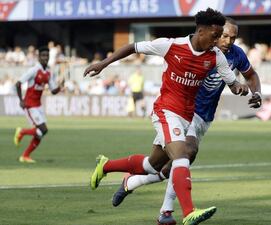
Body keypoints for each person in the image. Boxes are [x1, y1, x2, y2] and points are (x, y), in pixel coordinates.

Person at [84, 8, 248, 225]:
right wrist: (103, 64)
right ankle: (186, 212)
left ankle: (106, 166)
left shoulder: (215, 56)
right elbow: (132, 47)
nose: (218, 40)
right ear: (201, 31)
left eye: (220, 36)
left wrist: (242, 89)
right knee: (182, 155)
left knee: (151, 166)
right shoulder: (171, 45)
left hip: (187, 117)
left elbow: (232, 82)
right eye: (215, 35)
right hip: (166, 111)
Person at [14, 46, 64, 163]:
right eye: (43, 55)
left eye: (47, 56)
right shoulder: (34, 70)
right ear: (38, 57)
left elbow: (53, 91)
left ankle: (25, 156)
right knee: (43, 129)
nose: (45, 58)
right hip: (30, 105)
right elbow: (18, 84)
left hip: (38, 105)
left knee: (41, 133)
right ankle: (21, 132)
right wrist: (21, 100)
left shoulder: (47, 73)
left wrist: (60, 86)